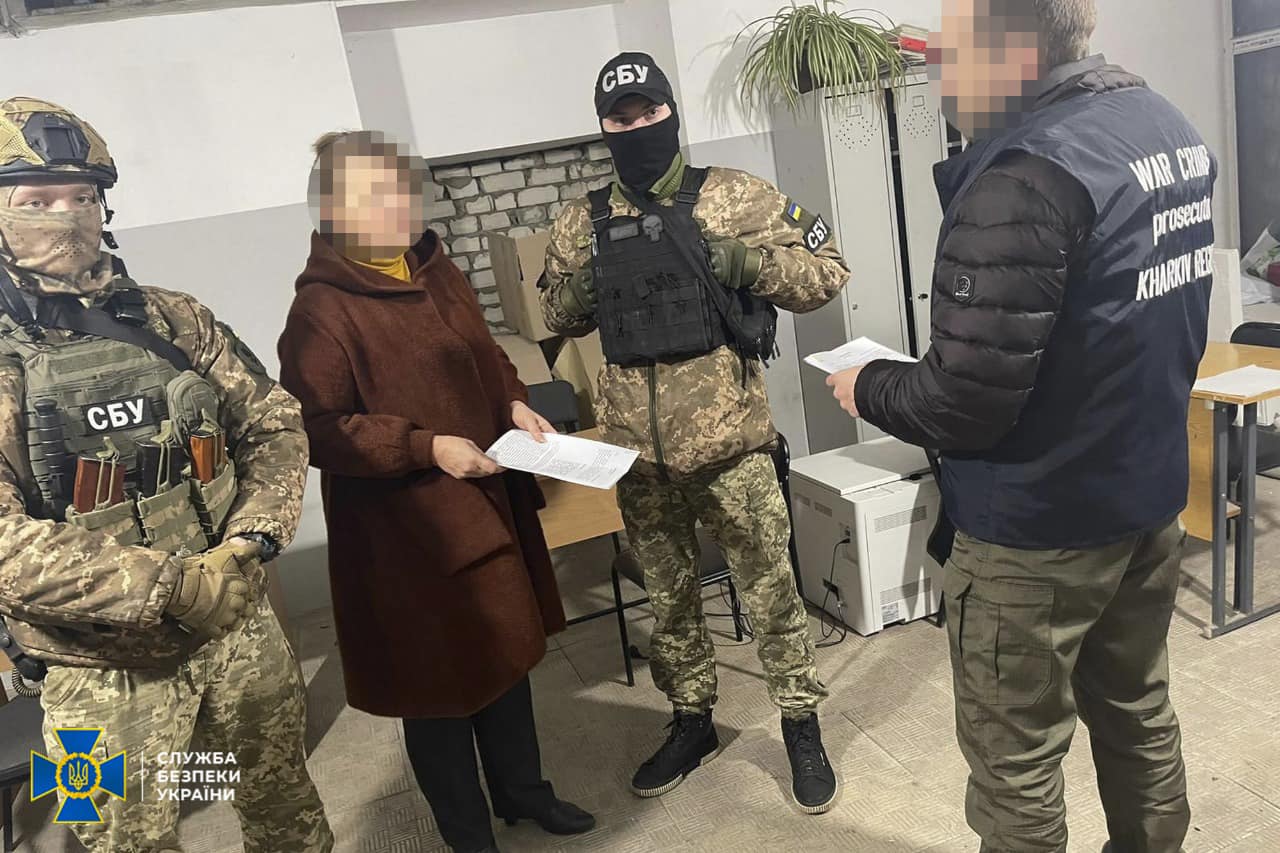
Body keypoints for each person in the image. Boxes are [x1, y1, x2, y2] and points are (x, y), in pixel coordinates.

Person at [826, 2, 1214, 851]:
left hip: (1037, 533)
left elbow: (961, 402)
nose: (939, 69)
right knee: (1138, 708)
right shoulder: (1164, 126)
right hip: (1145, 501)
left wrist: (869, 385)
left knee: (1018, 763)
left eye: (952, 48)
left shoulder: (1024, 176)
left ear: (1007, 51)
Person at [0, 98, 333, 851]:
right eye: (37, 201)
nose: (67, 217)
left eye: (82, 197)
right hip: (89, 670)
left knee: (288, 807)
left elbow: (274, 424)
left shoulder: (177, 318)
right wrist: (171, 587)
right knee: (116, 841)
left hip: (236, 622)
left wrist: (248, 542)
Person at [541, 52, 851, 814]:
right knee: (671, 604)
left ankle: (801, 725)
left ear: (670, 114)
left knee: (772, 593)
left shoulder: (733, 194)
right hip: (639, 462)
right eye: (620, 118)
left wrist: (747, 262)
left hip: (732, 451)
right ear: (604, 128)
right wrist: (582, 288)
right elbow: (553, 312)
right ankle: (692, 721)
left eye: (647, 112)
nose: (636, 126)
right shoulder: (583, 220)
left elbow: (828, 269)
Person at [276, 131, 593, 853]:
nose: (402, 207)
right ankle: (468, 835)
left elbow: (485, 354)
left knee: (506, 659)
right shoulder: (321, 311)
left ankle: (524, 794)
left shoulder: (435, 268)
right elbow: (318, 429)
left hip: (484, 500)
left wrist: (513, 400)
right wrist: (425, 446)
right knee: (440, 691)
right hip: (405, 535)